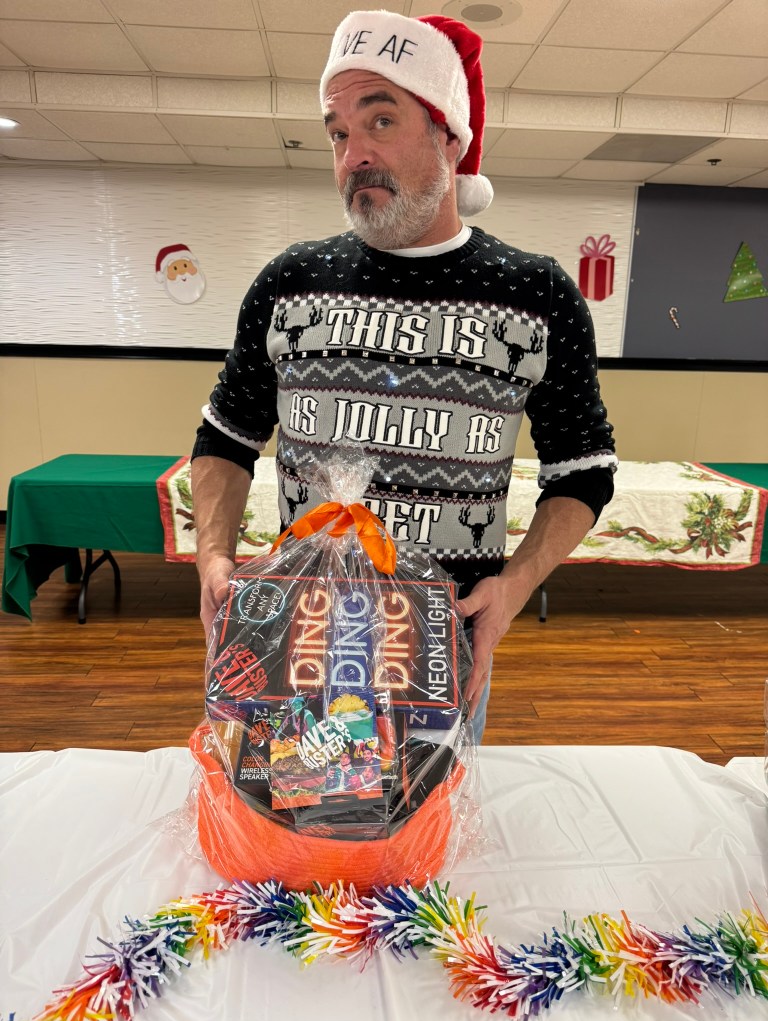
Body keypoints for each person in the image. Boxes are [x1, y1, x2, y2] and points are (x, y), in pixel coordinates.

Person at [190, 11, 618, 743]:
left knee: (434, 824)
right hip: (297, 646)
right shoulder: (292, 281)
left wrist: (514, 587)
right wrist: (213, 558)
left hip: (441, 657)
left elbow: (583, 469)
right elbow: (225, 439)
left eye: (380, 121)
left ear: (449, 135)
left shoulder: (535, 294)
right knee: (289, 819)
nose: (353, 154)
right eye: (337, 133)